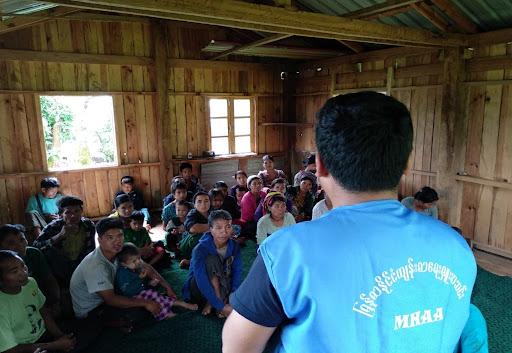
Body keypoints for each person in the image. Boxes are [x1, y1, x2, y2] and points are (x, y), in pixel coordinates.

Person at [223, 92, 476, 353]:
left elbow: (236, 347)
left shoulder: (288, 251)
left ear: (319, 166)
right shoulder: (457, 248)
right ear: (406, 165)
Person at [70, 218, 160, 332]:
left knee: (142, 290)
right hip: (92, 309)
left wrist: (167, 287)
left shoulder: (119, 251)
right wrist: (146, 303)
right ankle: (110, 322)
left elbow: (145, 265)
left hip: (109, 292)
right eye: (110, 237)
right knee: (140, 310)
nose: (117, 241)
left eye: (120, 236)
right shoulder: (96, 266)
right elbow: (111, 299)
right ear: (100, 240)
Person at [0, 250, 77, 353]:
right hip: (23, 348)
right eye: (14, 271)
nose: (23, 272)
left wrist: (60, 336)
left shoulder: (30, 283)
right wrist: (56, 345)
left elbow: (43, 312)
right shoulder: (2, 306)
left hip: (44, 336)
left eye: (23, 266)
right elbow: (11, 349)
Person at [182, 210, 242, 318]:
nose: (224, 231)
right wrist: (221, 305)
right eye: (218, 228)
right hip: (199, 288)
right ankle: (218, 301)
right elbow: (201, 280)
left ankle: (214, 302)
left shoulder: (234, 246)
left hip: (223, 281)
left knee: (239, 285)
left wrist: (232, 297)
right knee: (211, 260)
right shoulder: (200, 249)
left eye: (228, 227)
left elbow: (237, 272)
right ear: (211, 230)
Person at [114, 243, 197, 320]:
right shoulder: (122, 274)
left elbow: (142, 281)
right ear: (123, 264)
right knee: (154, 296)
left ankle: (182, 304)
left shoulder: (131, 267)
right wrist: (141, 279)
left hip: (142, 291)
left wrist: (149, 284)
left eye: (139, 258)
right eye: (134, 261)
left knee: (155, 294)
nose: (138, 262)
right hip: (133, 297)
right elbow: (128, 291)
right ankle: (166, 313)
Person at [33, 196, 95, 288]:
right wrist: (59, 236)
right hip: (60, 267)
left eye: (77, 211)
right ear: (61, 214)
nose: (73, 215)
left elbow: (91, 249)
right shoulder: (53, 227)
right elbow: (36, 247)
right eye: (68, 212)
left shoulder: (88, 225)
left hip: (81, 264)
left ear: (81, 211)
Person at [0, 224, 60, 314]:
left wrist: (56, 301)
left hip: (39, 298)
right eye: (11, 243)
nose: (19, 245)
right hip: (14, 306)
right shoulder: (2, 266)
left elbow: (49, 279)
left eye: (22, 240)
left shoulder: (34, 253)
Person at [178, 192, 211, 268]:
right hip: (190, 244)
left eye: (206, 201)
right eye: (199, 201)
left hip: (207, 244)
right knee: (203, 236)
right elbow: (193, 228)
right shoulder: (192, 213)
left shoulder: (212, 213)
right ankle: (191, 261)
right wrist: (215, 227)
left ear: (210, 202)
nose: (203, 204)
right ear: (194, 204)